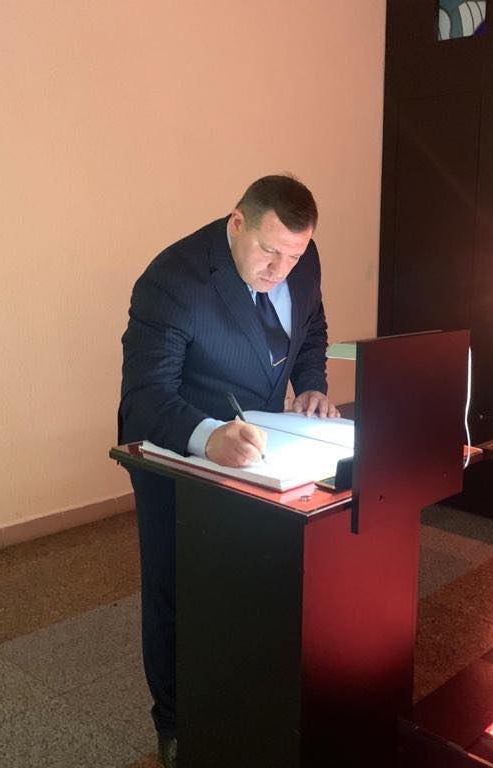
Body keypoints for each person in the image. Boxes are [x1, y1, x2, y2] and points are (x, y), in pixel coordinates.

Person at [118, 174, 339, 767]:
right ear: (237, 222)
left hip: (263, 451)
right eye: (269, 252)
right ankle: (174, 723)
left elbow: (311, 326)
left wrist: (311, 382)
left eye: (293, 256)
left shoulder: (301, 258)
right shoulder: (173, 280)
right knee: (176, 590)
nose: (280, 270)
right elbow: (146, 395)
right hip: (177, 453)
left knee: (247, 581)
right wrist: (208, 436)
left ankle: (243, 698)